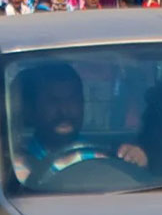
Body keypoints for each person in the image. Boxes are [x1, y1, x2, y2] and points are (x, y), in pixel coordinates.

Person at [10, 62, 149, 184]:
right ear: (32, 109)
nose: (64, 110)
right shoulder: (16, 168)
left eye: (72, 100)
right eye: (53, 101)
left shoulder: (108, 160)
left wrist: (136, 163)